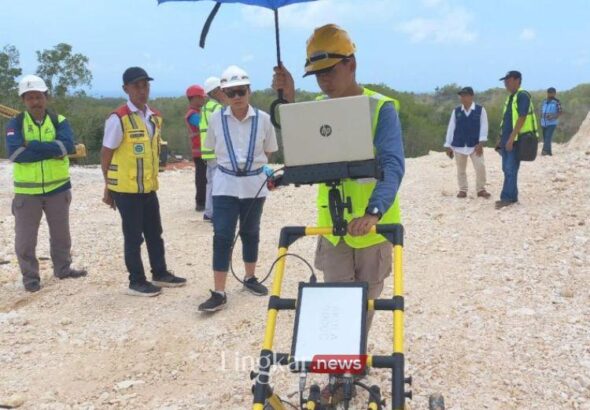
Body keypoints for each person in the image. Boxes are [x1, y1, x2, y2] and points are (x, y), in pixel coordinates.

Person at [273, 24, 404, 329]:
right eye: (318, 74)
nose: (324, 80)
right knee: (335, 299)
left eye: (330, 70)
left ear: (352, 64)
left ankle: (354, 360)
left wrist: (374, 212)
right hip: (332, 228)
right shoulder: (316, 110)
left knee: (366, 301)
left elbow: (394, 166)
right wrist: (288, 102)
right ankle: (338, 365)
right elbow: (302, 158)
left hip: (373, 226)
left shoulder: (380, 109)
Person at [198, 65, 278, 312]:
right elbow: (212, 146)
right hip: (225, 184)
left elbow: (269, 150)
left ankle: (250, 278)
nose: (236, 98)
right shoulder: (215, 119)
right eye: (230, 93)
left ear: (249, 91)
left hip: (254, 185)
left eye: (240, 91)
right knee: (222, 235)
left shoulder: (264, 119)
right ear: (223, 94)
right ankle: (219, 291)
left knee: (251, 232)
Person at [101, 67, 186, 296]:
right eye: (136, 86)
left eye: (145, 85)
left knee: (154, 233)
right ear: (125, 89)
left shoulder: (154, 117)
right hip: (126, 190)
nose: (142, 90)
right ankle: (136, 281)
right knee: (133, 237)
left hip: (147, 187)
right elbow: (106, 154)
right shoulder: (118, 118)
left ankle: (160, 273)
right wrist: (108, 187)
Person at [5, 75, 87, 292]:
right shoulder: (16, 123)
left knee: (61, 235)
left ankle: (63, 269)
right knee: (25, 241)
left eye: (38, 96)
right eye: (30, 97)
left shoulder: (59, 121)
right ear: (23, 100)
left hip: (58, 189)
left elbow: (67, 146)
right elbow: (15, 154)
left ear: (46, 97)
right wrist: (51, 150)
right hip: (27, 192)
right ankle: (31, 279)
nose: (35, 101)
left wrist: (31, 144)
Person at [495, 70, 538, 209]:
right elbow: (506, 120)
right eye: (505, 81)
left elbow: (522, 117)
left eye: (508, 80)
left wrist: (511, 138)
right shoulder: (511, 98)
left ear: (517, 80)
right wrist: (500, 139)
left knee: (510, 168)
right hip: (507, 139)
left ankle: (507, 198)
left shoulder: (522, 95)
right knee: (506, 168)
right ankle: (511, 196)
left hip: (516, 140)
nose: (505, 83)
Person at [444, 86, 490, 199]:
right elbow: (451, 128)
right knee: (461, 169)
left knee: (480, 166)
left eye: (465, 95)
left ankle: (481, 189)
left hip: (475, 145)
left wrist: (481, 143)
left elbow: (484, 127)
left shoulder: (480, 110)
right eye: (461, 96)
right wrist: (448, 145)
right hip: (459, 144)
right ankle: (463, 190)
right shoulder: (456, 111)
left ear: (471, 96)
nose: (463, 98)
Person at [200, 77, 228, 222]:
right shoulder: (217, 108)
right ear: (216, 91)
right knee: (219, 183)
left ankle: (209, 212)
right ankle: (216, 214)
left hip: (207, 152)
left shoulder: (205, 108)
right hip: (216, 151)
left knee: (210, 182)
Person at [185, 84, 207, 211]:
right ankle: (201, 202)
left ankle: (204, 201)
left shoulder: (198, 112)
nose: (203, 100)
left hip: (203, 151)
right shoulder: (192, 114)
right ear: (194, 98)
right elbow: (203, 124)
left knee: (204, 178)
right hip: (200, 152)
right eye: (201, 97)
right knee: (201, 179)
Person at [540, 87, 562, 156]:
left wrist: (553, 116)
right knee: (545, 137)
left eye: (553, 93)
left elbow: (560, 112)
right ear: (548, 93)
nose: (551, 95)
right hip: (544, 123)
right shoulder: (544, 101)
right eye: (550, 93)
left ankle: (544, 151)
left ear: (555, 94)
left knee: (548, 137)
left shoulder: (556, 102)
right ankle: (549, 153)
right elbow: (541, 111)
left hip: (552, 123)